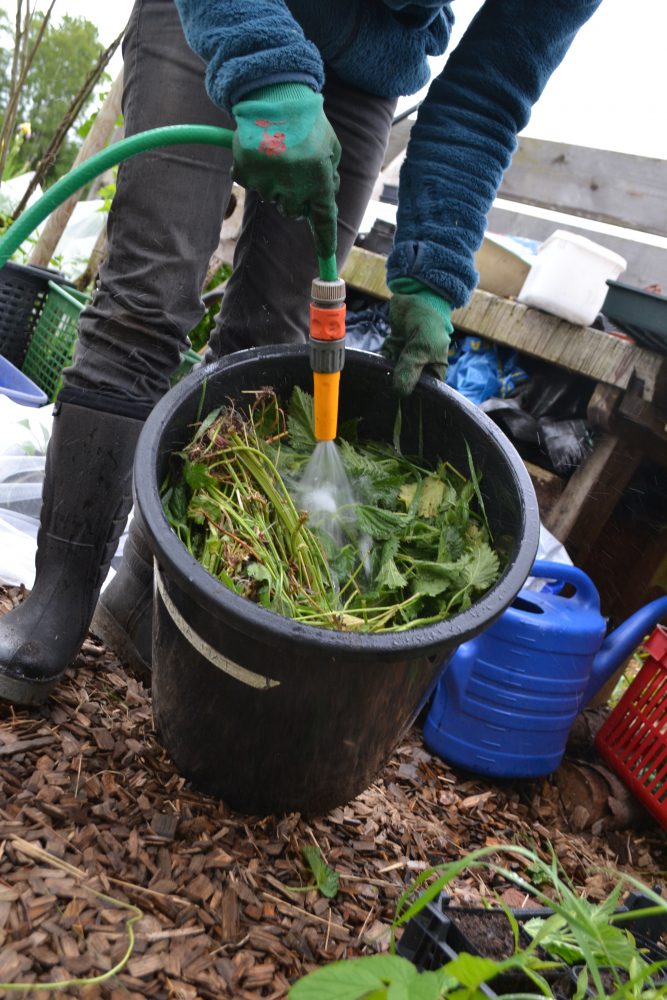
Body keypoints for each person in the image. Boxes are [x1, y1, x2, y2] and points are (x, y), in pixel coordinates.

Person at [0, 0, 602, 705]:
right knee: (150, 295)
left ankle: (139, 607)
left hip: (364, 61)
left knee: (269, 341)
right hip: (221, 11)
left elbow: (487, 92)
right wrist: (265, 66)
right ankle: (57, 600)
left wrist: (432, 270)